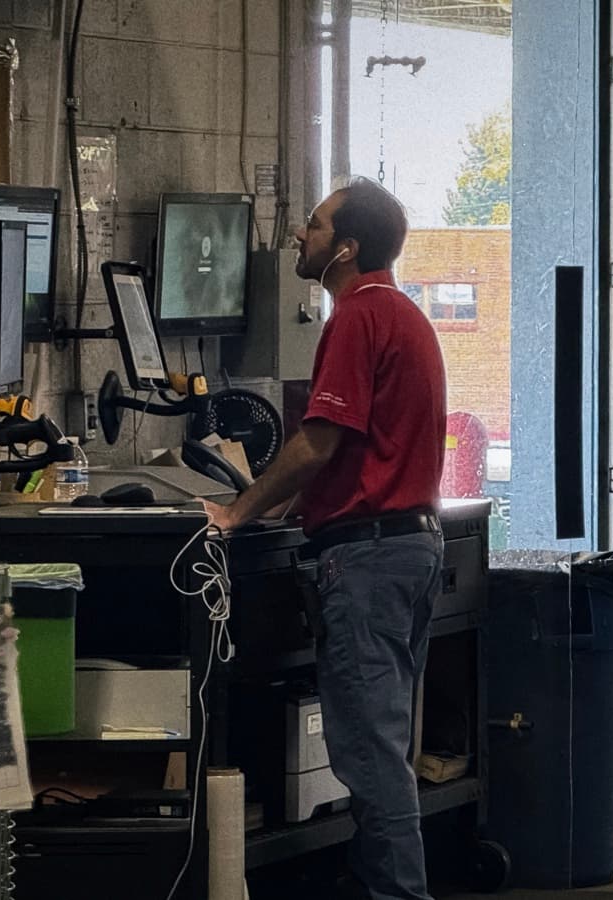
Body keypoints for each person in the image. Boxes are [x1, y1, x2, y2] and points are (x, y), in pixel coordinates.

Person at [204, 176, 446, 900]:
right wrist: (296, 505)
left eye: (312, 227)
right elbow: (358, 447)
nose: (299, 238)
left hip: (369, 558)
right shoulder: (406, 316)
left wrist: (239, 512)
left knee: (371, 757)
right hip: (410, 544)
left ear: (345, 247)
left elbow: (318, 441)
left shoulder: (358, 318)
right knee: (384, 746)